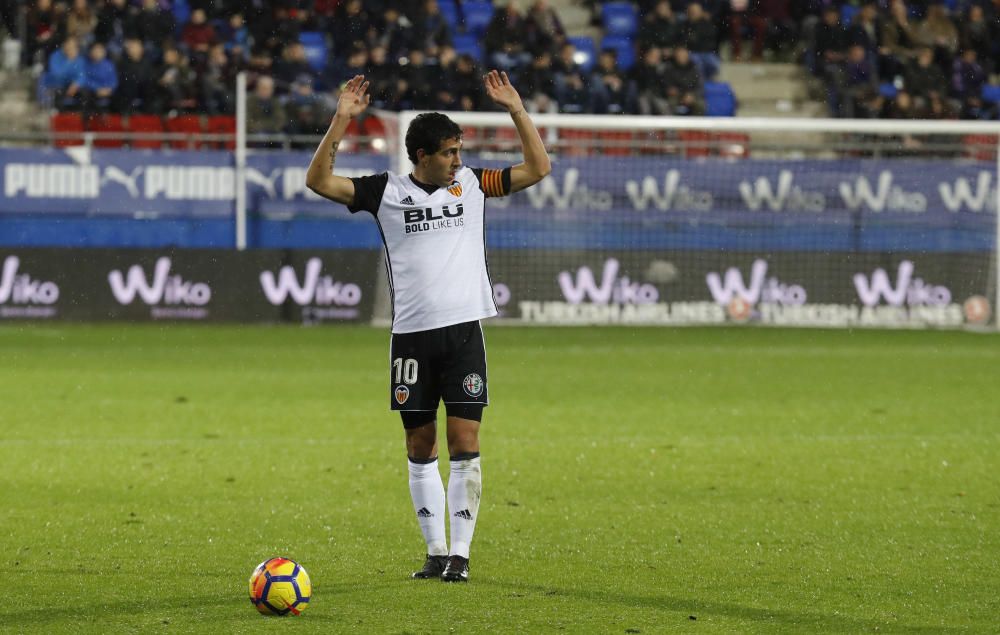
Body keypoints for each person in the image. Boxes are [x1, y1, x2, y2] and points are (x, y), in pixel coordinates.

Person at [305, 71, 551, 583]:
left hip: (463, 334)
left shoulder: (473, 185)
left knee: (465, 440)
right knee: (421, 445)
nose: (457, 160)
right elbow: (319, 182)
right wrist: (342, 120)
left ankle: (460, 555)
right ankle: (435, 550)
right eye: (448, 152)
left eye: (459, 151)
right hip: (412, 339)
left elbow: (538, 167)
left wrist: (517, 111)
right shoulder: (384, 191)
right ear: (420, 156)